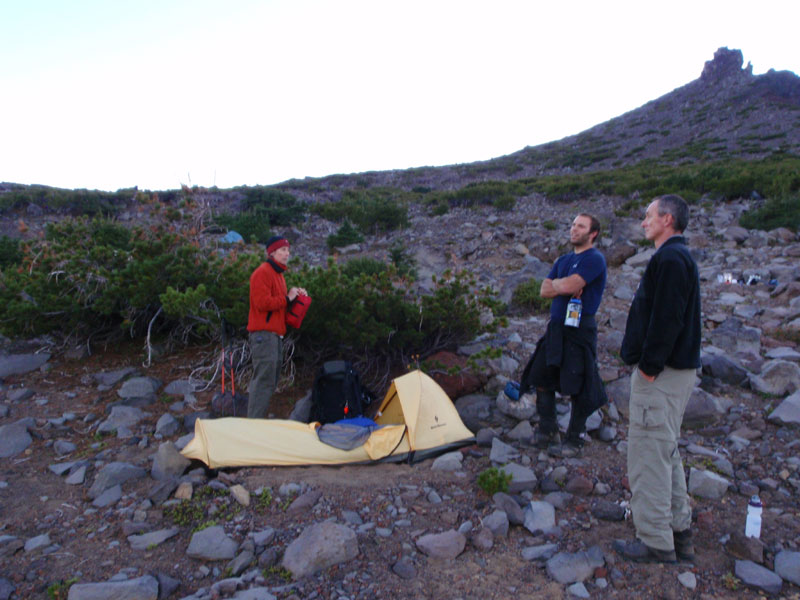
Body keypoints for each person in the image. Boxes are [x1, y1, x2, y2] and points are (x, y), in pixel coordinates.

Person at [613, 194, 701, 564]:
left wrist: (648, 367)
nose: (643, 220)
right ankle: (679, 534)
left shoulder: (670, 259)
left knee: (649, 452)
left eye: (648, 215)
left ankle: (655, 541)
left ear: (667, 219)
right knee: (666, 450)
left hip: (661, 375)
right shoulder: (677, 257)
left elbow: (667, 319)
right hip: (673, 373)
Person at [519, 213, 608, 458]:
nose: (574, 230)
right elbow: (544, 289)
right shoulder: (564, 259)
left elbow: (561, 287)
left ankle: (575, 438)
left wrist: (559, 285)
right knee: (541, 375)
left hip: (580, 328)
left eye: (581, 226)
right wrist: (564, 285)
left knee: (578, 381)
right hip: (556, 326)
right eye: (572, 225)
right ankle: (548, 430)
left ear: (593, 234)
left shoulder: (595, 259)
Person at [246, 235, 307, 419]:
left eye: (288, 250)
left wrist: (295, 298)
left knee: (270, 381)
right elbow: (261, 303)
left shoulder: (278, 275)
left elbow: (278, 305)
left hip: (274, 336)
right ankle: (253, 425)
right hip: (263, 336)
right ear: (272, 252)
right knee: (263, 381)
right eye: (282, 250)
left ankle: (257, 421)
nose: (286, 254)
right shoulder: (262, 273)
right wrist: (287, 298)